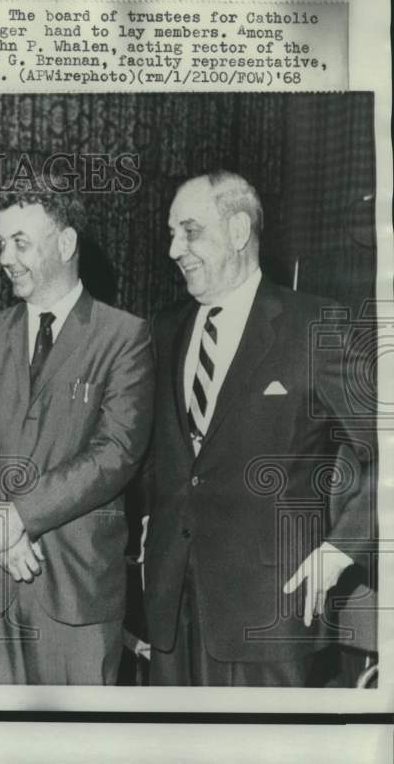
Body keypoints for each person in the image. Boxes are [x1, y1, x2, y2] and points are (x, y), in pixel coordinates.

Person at [143, 171, 374, 686]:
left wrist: (340, 550)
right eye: (171, 233)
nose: (174, 249)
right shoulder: (164, 329)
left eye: (190, 231)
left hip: (272, 615)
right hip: (171, 614)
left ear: (239, 230)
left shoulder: (316, 327)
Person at [0, 191, 154, 684]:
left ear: (66, 242)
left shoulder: (124, 337)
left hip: (75, 593)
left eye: (20, 243)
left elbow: (116, 452)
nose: (4, 258)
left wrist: (18, 516)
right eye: (1, 243)